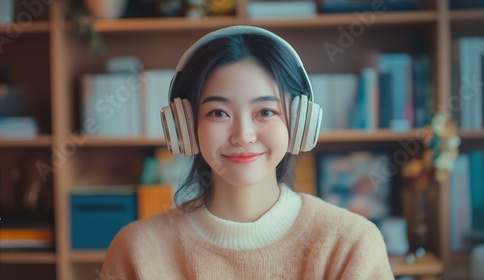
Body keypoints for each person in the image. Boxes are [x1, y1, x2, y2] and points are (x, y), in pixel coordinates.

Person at [100, 25, 394, 279]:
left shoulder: (350, 244)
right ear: (185, 126)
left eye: (265, 111)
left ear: (299, 121)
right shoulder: (136, 250)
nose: (243, 135)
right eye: (218, 112)